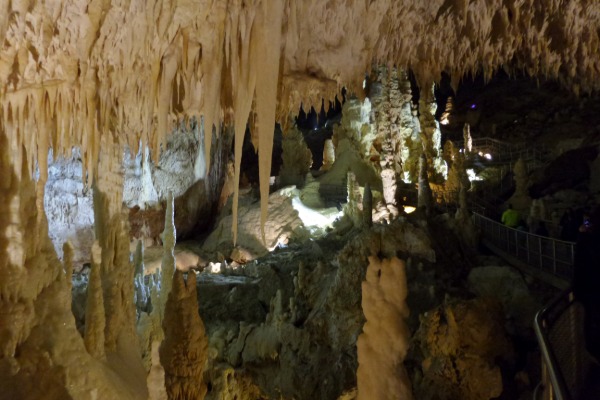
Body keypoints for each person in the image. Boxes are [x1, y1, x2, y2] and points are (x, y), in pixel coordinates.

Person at [573, 207, 600, 361]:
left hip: (591, 289)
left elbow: (580, 263)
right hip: (591, 288)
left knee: (591, 321)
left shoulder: (587, 239)